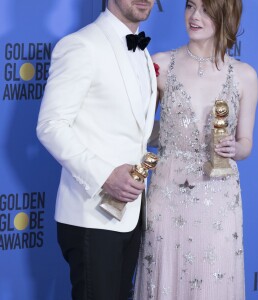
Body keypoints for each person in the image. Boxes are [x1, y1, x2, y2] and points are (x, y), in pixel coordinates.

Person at [133, 0, 258, 299]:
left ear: (225, 16)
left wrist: (235, 148)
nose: (194, 16)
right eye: (190, 7)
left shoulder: (245, 75)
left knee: (213, 277)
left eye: (205, 10)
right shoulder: (160, 64)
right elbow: (140, 129)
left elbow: (247, 143)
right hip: (167, 189)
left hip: (219, 194)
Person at [36, 0, 156, 299]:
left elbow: (134, 130)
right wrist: (105, 175)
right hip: (91, 215)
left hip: (131, 213)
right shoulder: (80, 46)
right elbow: (50, 126)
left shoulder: (143, 52)